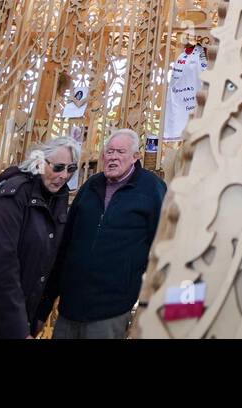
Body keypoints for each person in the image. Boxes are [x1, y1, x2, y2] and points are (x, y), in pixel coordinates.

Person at [39, 128, 166, 338]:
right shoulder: (91, 186)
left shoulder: (152, 189)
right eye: (109, 151)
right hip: (69, 307)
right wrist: (47, 303)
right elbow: (65, 243)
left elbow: (161, 246)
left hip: (111, 310)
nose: (113, 157)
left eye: (120, 152)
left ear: (136, 157)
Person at [0, 136, 79, 339]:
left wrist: (38, 315)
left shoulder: (58, 197)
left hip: (18, 320)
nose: (64, 175)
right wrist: (17, 331)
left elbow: (52, 264)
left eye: (71, 169)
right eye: (58, 167)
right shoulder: (14, 195)